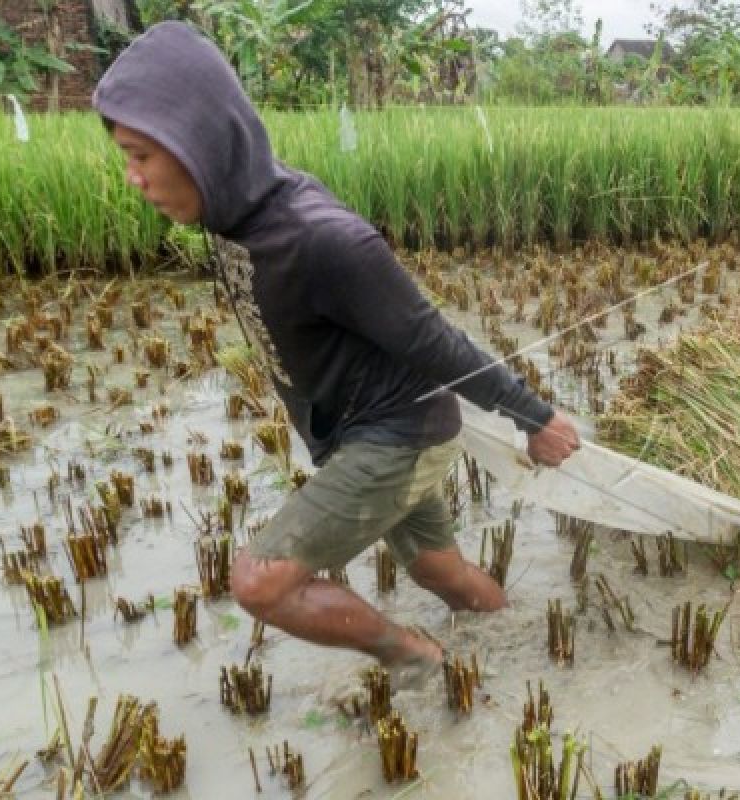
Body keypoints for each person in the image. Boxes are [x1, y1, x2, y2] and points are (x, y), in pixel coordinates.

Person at [92, 22, 580, 678]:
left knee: (261, 583)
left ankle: (418, 659)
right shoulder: (240, 217)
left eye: (141, 155)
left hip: (398, 434)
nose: (134, 179)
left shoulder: (324, 241)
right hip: (366, 433)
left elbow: (434, 340)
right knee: (443, 572)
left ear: (199, 145)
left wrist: (536, 419)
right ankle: (527, 657)